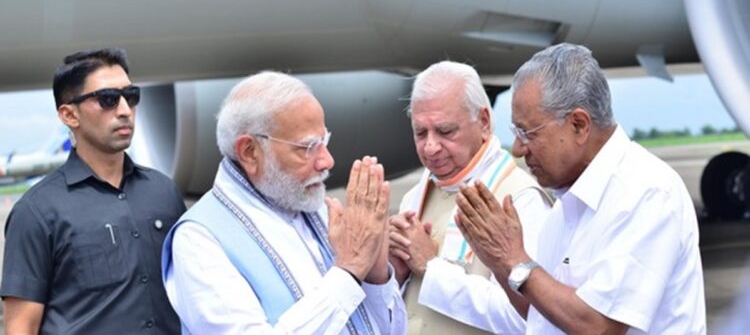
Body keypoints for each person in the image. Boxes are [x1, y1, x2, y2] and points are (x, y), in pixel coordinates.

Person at [455, 43, 706, 334]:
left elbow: (600, 326)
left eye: (527, 133)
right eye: (515, 133)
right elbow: (543, 316)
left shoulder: (646, 191)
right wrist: (500, 264)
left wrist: (514, 260)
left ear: (578, 124)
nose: (519, 149)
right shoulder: (566, 205)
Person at [161, 71, 407, 334]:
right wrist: (349, 269)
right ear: (249, 152)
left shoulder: (315, 207)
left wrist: (376, 275)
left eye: (325, 141)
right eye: (307, 147)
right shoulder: (199, 240)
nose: (327, 161)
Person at [1, 48, 186, 334]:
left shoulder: (164, 192)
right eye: (108, 99)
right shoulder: (36, 211)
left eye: (131, 96)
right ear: (69, 115)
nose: (125, 110)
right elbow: (21, 326)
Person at [389, 61, 551, 334]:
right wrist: (391, 275)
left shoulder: (521, 199)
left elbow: (531, 319)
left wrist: (431, 268)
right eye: (420, 132)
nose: (430, 146)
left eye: (445, 131)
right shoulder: (414, 198)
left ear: (484, 122)